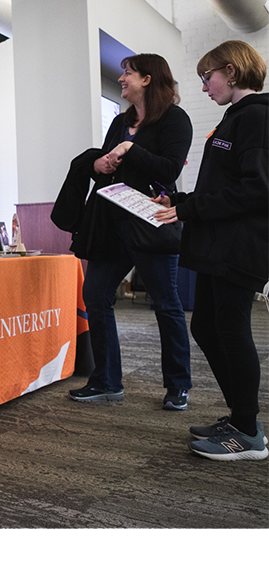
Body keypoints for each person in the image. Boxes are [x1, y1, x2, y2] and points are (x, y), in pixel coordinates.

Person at [155, 40, 269, 460]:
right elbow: (225, 185)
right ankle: (240, 417)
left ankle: (247, 433)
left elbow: (257, 189)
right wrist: (180, 203)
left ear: (232, 72)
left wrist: (191, 209)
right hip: (218, 244)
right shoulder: (235, 119)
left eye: (208, 77)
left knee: (231, 329)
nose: (204, 86)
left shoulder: (256, 117)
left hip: (240, 247)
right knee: (205, 327)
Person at [61, 54, 193, 408]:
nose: (121, 78)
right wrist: (97, 163)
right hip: (109, 223)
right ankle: (106, 381)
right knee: (97, 296)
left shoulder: (175, 120)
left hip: (149, 223)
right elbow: (108, 164)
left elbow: (167, 171)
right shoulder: (121, 122)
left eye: (127, 73)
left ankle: (178, 385)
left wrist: (131, 150)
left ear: (147, 79)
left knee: (167, 305)